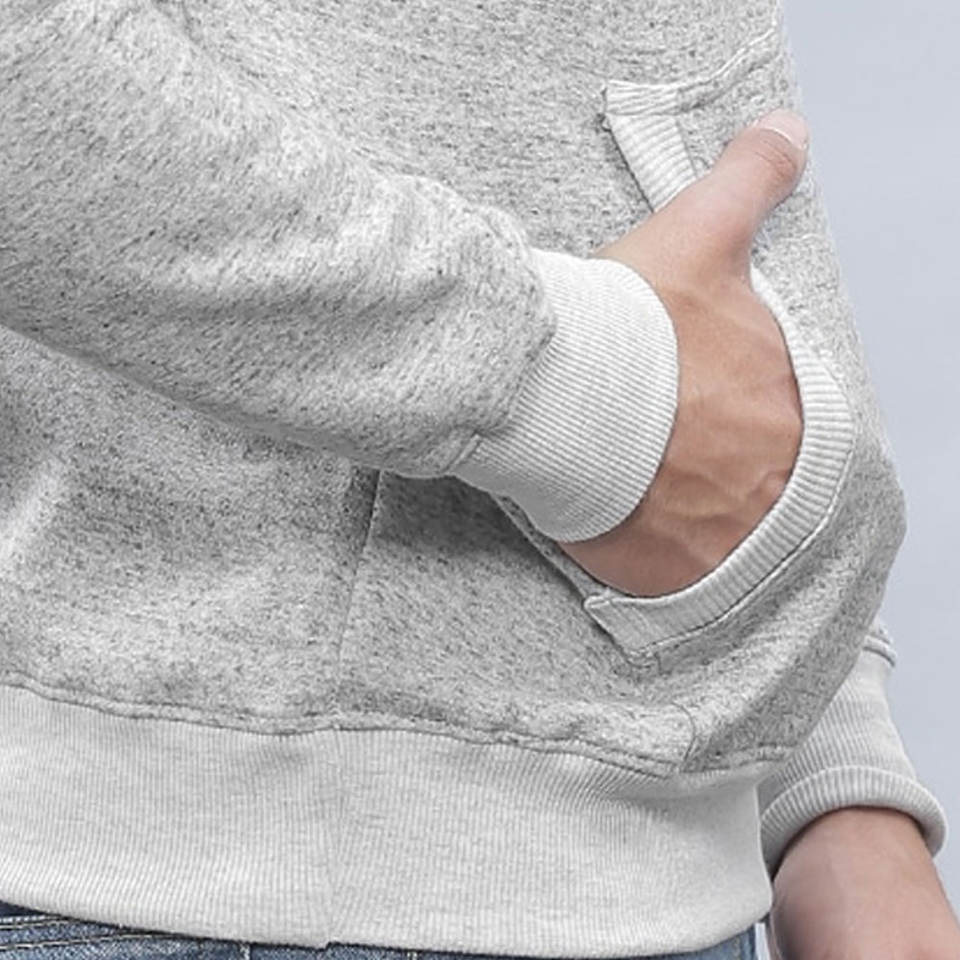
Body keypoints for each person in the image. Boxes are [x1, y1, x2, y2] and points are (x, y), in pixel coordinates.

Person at [0, 1, 955, 959]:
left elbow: (559, 86)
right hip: (237, 865)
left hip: (674, 849)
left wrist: (826, 758)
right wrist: (571, 388)